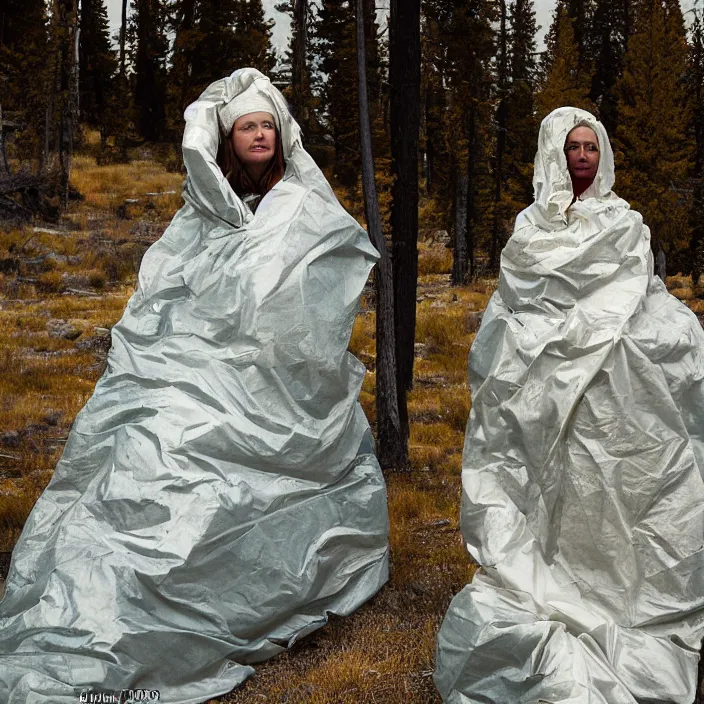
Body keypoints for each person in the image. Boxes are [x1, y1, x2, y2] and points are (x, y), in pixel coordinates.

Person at [0, 68, 390, 703]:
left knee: (214, 481)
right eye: (247, 127)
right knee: (148, 458)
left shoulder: (305, 207)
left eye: (267, 125)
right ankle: (104, 605)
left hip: (280, 387)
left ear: (283, 135)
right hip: (195, 369)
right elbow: (168, 294)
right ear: (227, 140)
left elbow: (323, 290)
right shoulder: (202, 215)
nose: (259, 134)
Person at [434, 106, 704, 703]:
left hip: (610, 384)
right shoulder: (530, 230)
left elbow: (640, 290)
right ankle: (558, 575)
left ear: (601, 156)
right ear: (554, 155)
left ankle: (622, 586)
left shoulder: (625, 223)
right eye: (572, 147)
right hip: (545, 384)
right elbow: (517, 307)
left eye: (591, 147)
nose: (582, 156)